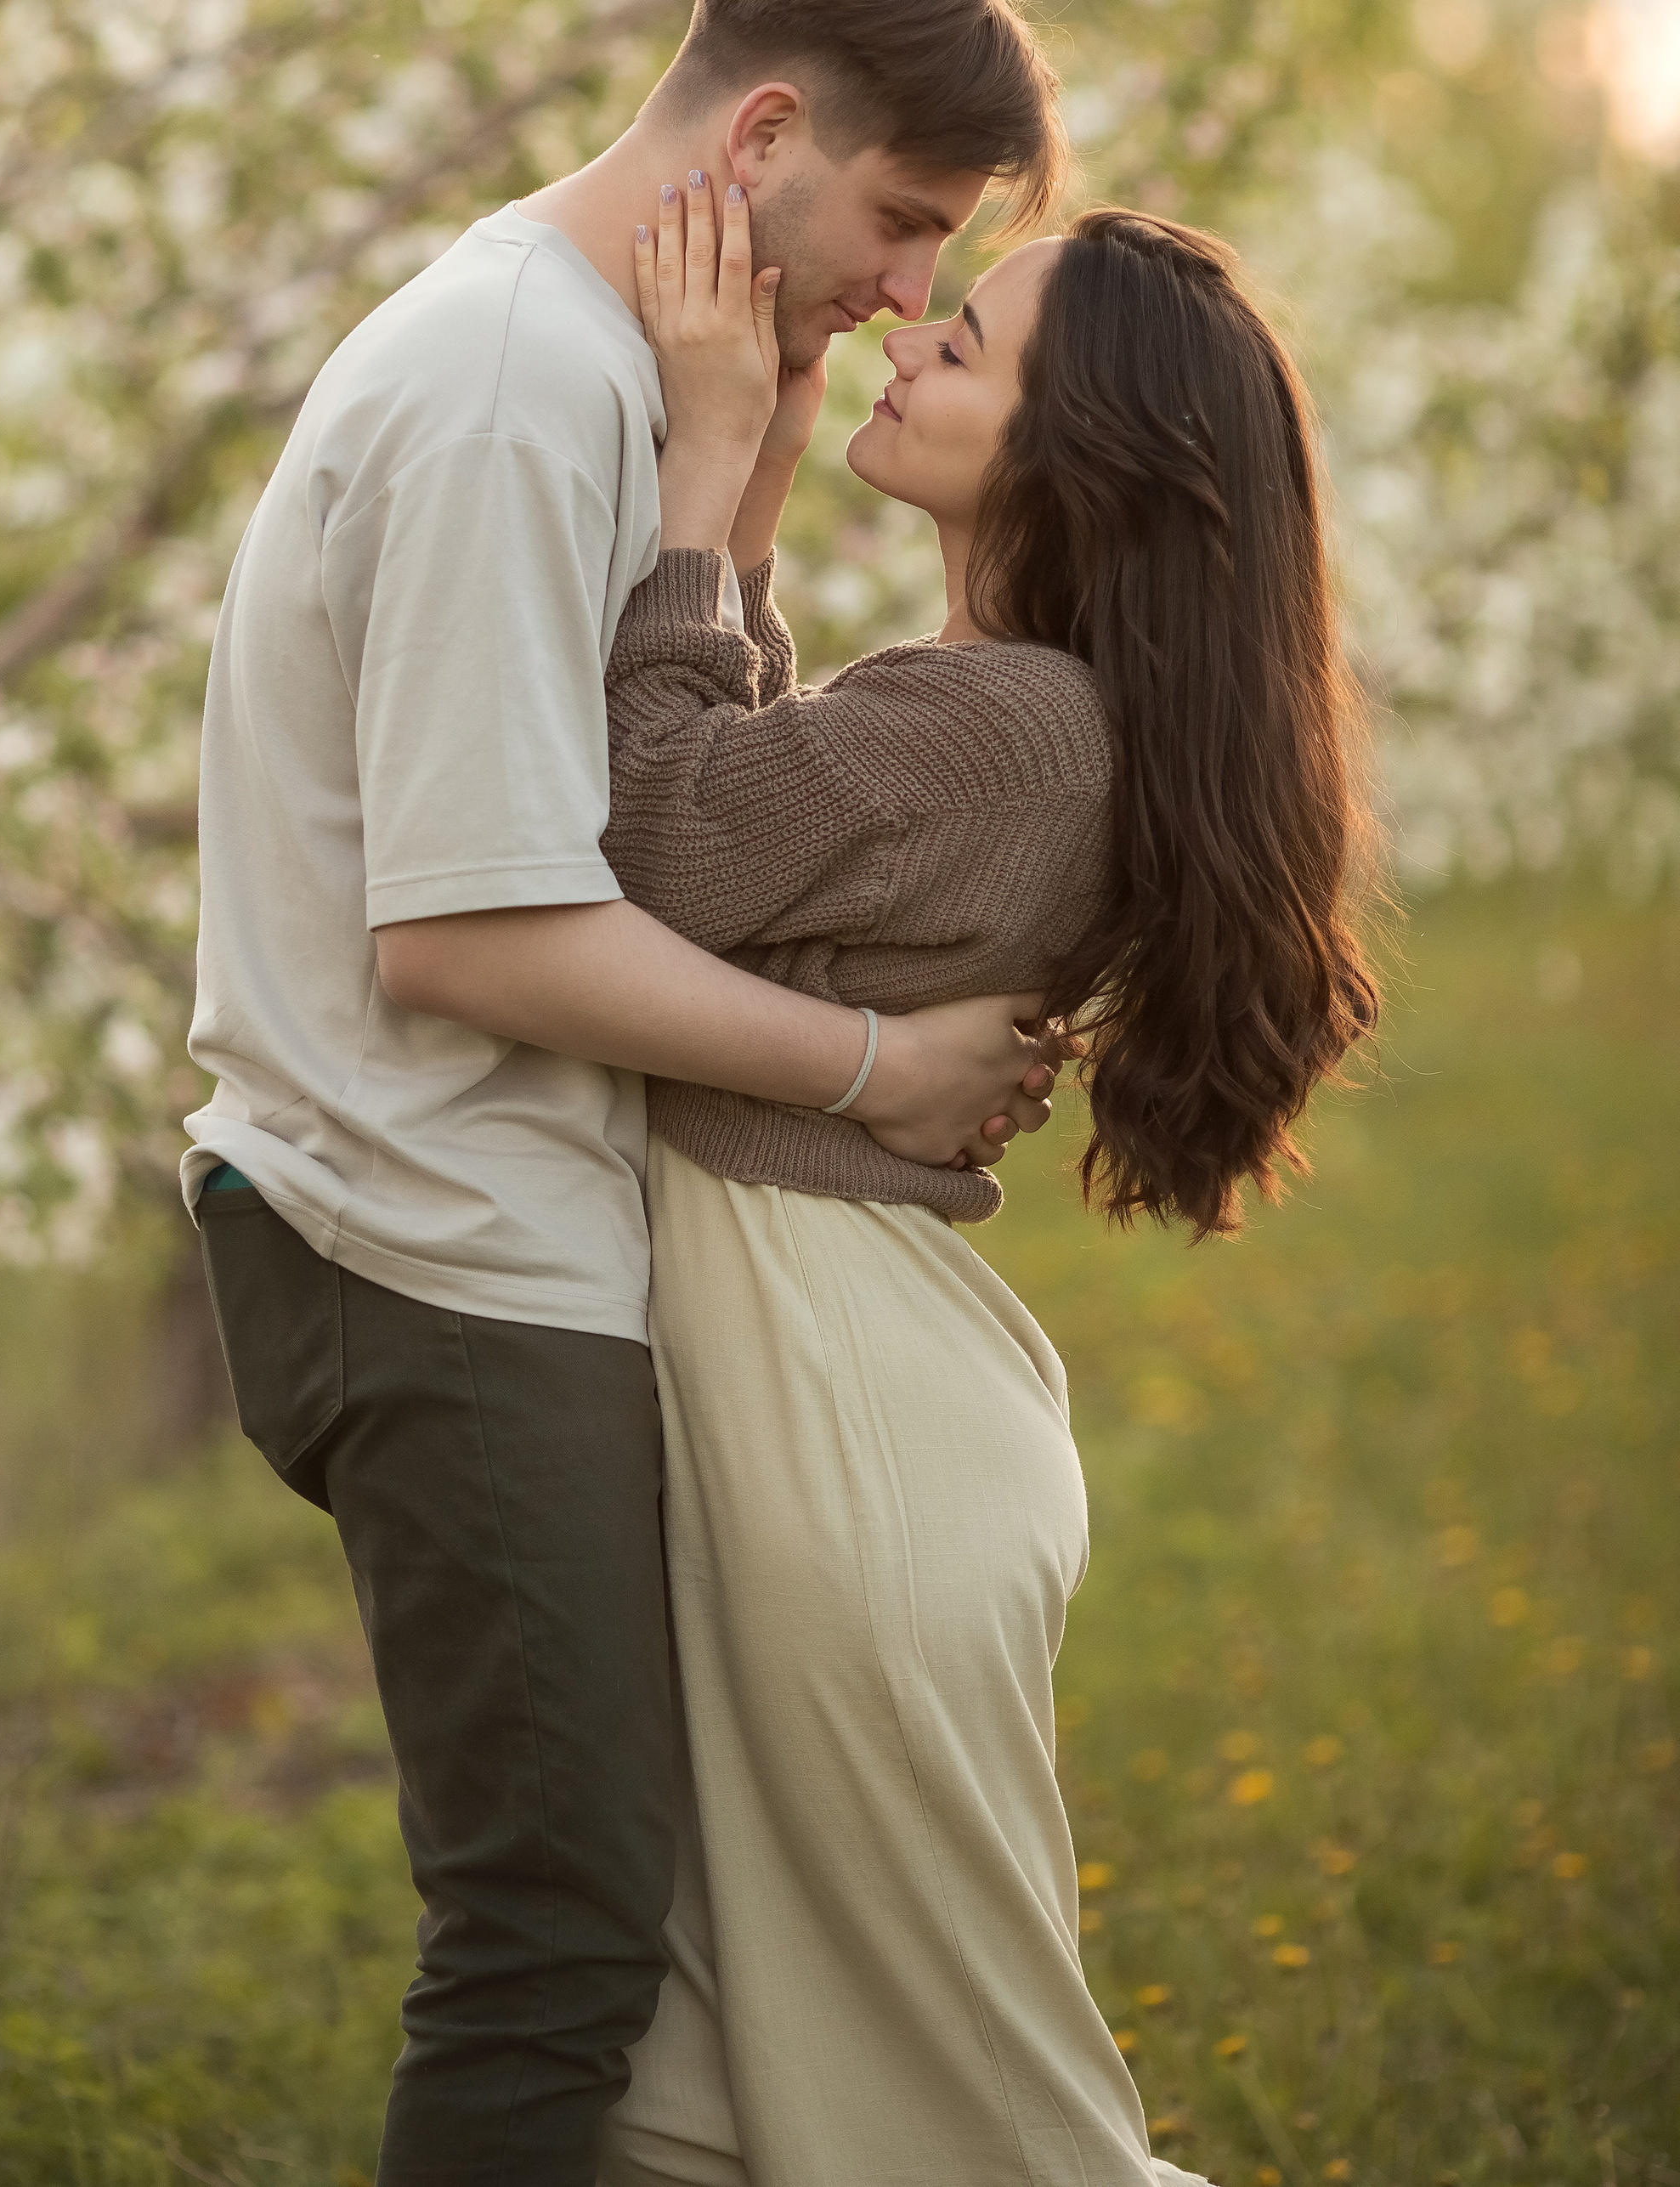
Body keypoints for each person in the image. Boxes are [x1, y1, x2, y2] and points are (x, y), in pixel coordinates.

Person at [183, 0, 1072, 2185]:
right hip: (434, 1240)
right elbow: (475, 935)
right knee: (557, 1942)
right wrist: (881, 1072)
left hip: (497, 1228)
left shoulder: (599, 372)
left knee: (638, 1960)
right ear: (761, 136)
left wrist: (739, 477)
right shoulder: (511, 387)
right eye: (901, 221)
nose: (907, 290)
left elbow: (655, 819)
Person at [595, 184, 1379, 2187]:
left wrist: (700, 478)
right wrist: (755, 484)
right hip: (852, 1392)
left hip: (843, 1423)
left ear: (1075, 455)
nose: (905, 335)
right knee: (729, 2099)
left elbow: (660, 843)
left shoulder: (1009, 725)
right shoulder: (1002, 712)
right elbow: (769, 825)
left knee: (973, 2135)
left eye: (966, 344)